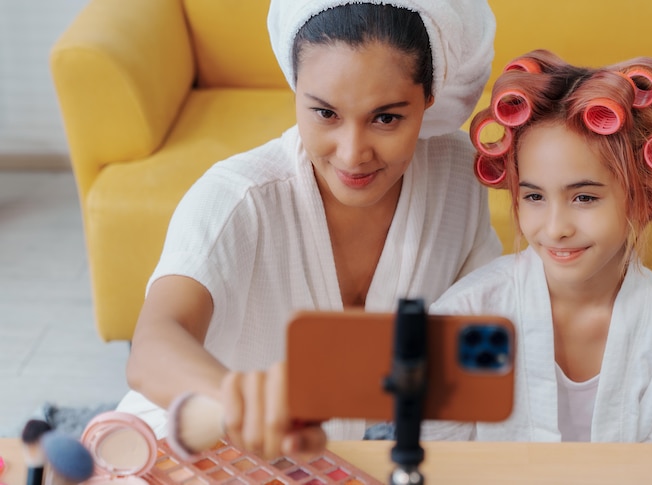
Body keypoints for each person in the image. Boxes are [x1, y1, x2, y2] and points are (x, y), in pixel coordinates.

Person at [118, 0, 499, 458]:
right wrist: (240, 403)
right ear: (296, 88)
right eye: (325, 113)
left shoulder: (458, 176)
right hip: (167, 449)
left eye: (386, 118)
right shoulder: (238, 197)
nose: (352, 153)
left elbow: (485, 337)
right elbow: (154, 342)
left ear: (428, 97)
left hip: (312, 462)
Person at [423, 50, 652, 443]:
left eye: (584, 198)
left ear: (640, 196)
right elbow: (440, 463)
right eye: (534, 197)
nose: (555, 228)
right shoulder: (462, 319)